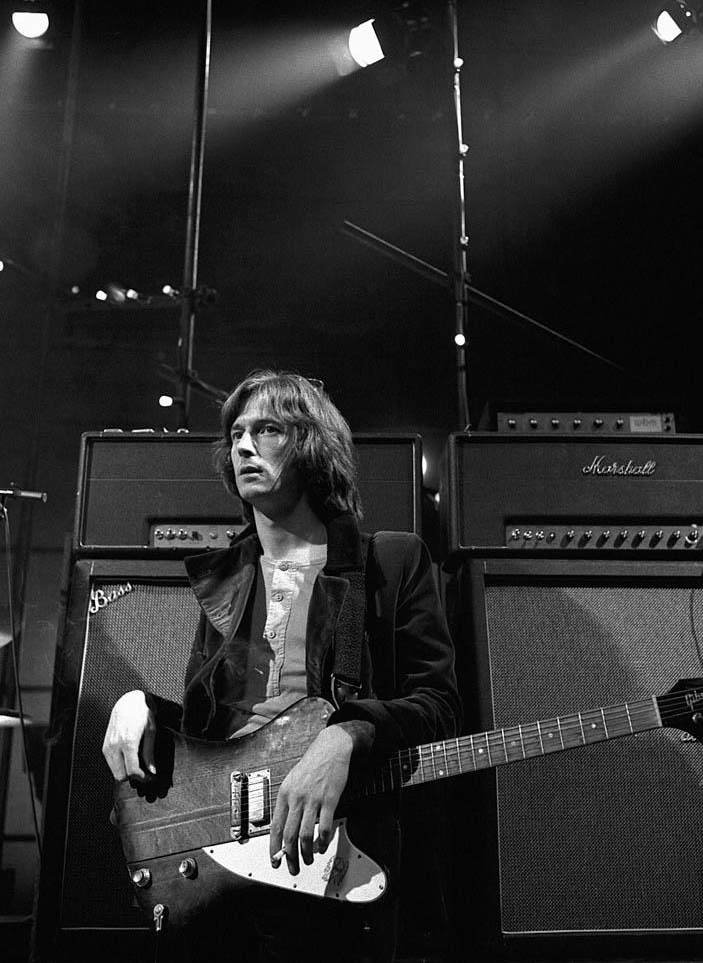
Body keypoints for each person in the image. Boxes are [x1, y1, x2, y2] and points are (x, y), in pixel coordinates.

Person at [101, 369, 462, 962]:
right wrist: (135, 703)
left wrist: (347, 734)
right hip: (225, 861)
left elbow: (439, 705)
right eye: (237, 433)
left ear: (313, 446)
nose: (243, 444)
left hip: (336, 852)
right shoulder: (227, 579)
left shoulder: (388, 562)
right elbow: (207, 737)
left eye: (266, 429)